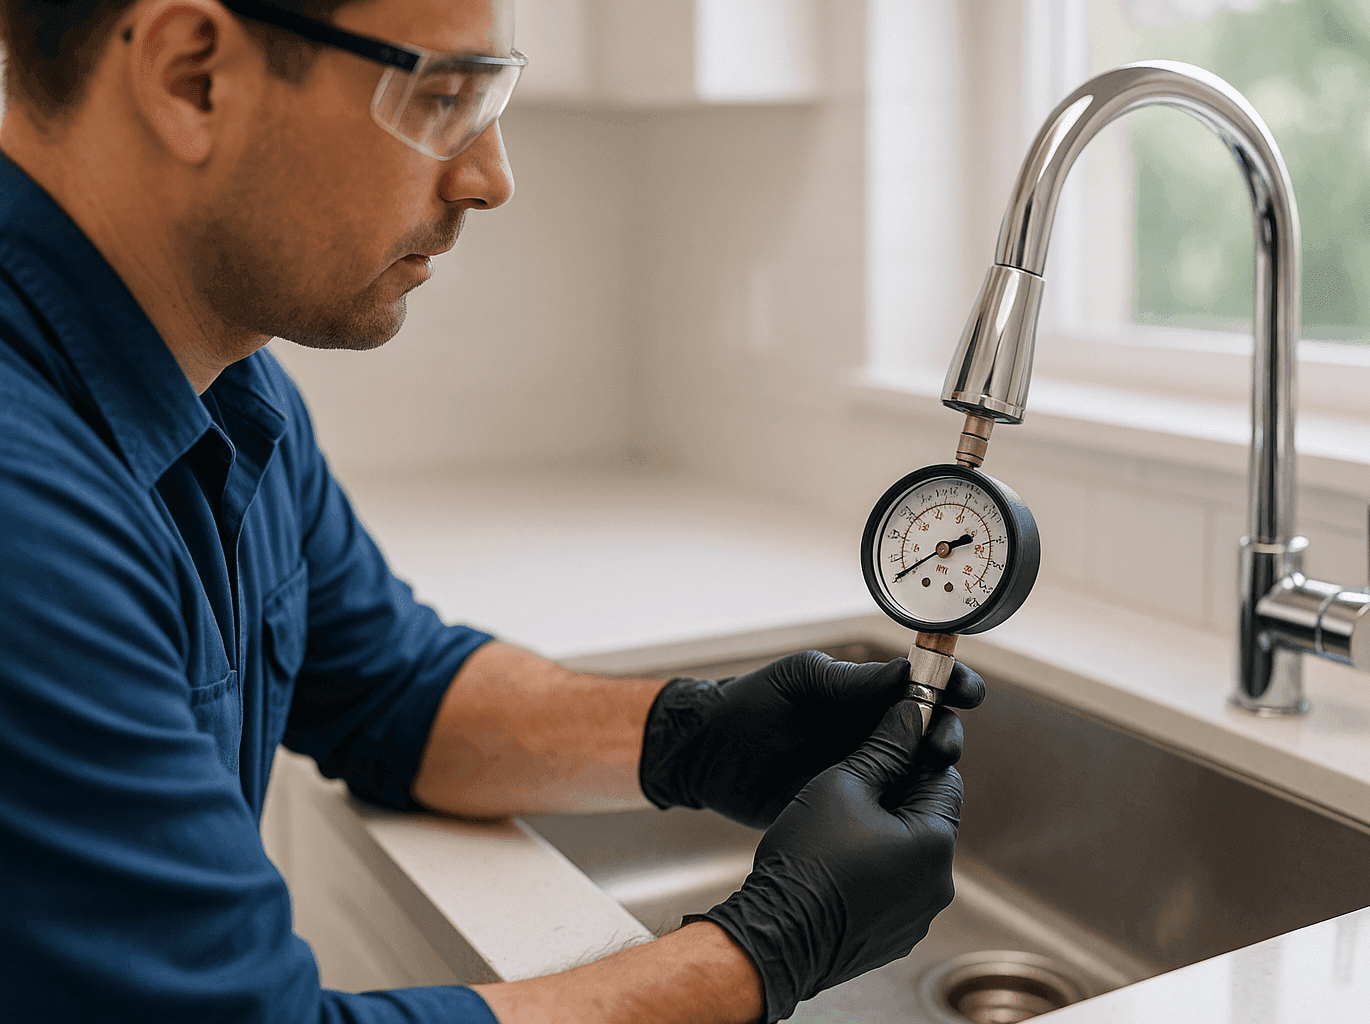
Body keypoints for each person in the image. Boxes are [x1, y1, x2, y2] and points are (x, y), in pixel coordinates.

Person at [0, 1, 984, 1021]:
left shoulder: (225, 388)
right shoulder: (25, 511)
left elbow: (390, 688)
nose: (491, 176)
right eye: (443, 96)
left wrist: (691, 733)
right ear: (190, 77)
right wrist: (766, 952)